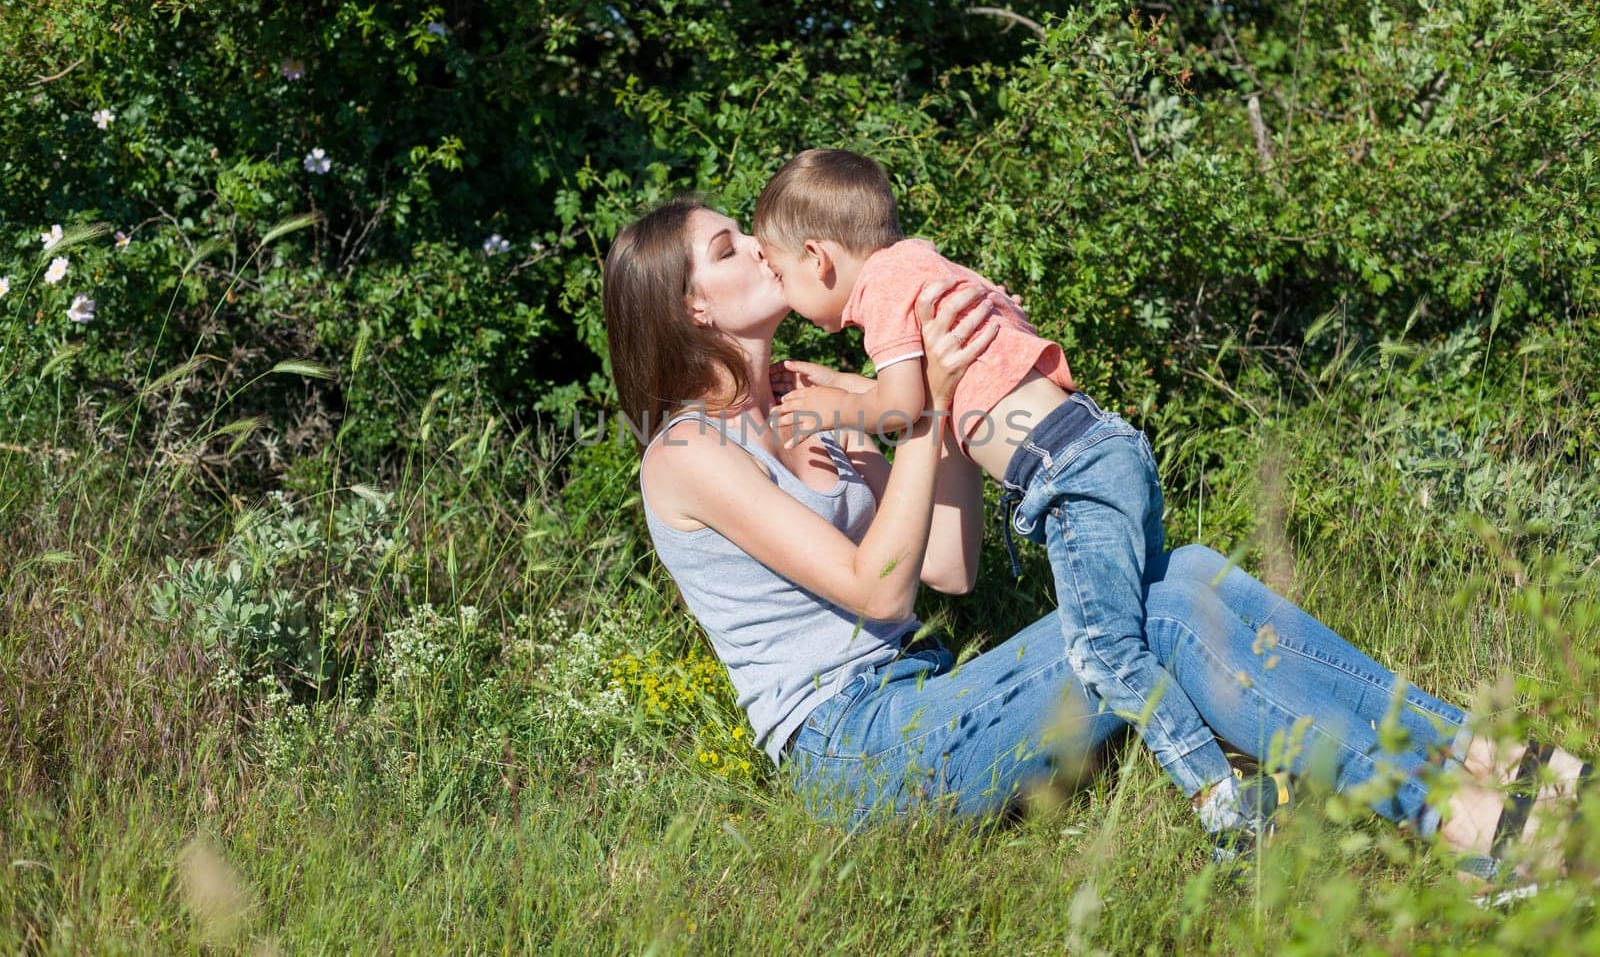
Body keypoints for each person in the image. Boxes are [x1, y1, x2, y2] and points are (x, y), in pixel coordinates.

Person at [601, 197, 1591, 889]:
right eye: (731, 246)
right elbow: (877, 590)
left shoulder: (808, 389)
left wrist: (944, 393)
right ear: (691, 305)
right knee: (1162, 610)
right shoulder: (685, 453)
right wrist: (923, 411)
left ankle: (1485, 754)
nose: (761, 249)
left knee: (1186, 575)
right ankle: (1459, 817)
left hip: (932, 693)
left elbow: (947, 565)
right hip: (855, 752)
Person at [752, 148, 1265, 853]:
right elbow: (934, 401)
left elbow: (903, 405)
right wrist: (842, 386)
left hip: (1070, 468)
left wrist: (827, 406)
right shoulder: (922, 266)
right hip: (1097, 449)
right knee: (1145, 626)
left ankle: (1227, 806)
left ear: (820, 257)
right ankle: (1251, 759)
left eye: (781, 274)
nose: (785, 296)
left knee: (1105, 649)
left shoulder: (881, 290)